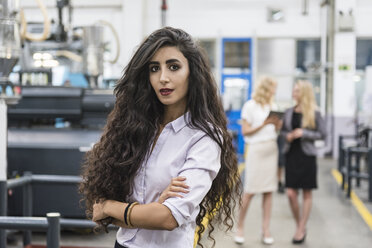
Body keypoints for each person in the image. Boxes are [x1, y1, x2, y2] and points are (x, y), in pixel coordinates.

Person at [79, 27, 241, 248]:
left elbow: (168, 218)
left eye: (174, 67)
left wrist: (111, 207)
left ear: (192, 72)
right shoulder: (135, 128)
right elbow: (99, 212)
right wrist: (149, 209)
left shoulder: (204, 139)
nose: (163, 78)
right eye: (154, 68)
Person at [235, 77, 281, 245]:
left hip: (271, 149)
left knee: (268, 192)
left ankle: (265, 229)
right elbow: (246, 132)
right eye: (272, 88)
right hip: (256, 151)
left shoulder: (272, 106)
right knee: (250, 191)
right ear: (265, 88)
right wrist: (264, 123)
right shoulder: (250, 106)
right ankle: (240, 227)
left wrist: (276, 125)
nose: (274, 92)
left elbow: (275, 131)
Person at [281, 80, 326, 244]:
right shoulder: (288, 111)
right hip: (291, 154)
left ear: (304, 93)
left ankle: (301, 227)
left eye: (297, 90)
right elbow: (283, 131)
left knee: (307, 192)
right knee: (291, 193)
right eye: (294, 89)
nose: (294, 92)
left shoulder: (314, 112)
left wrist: (304, 133)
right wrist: (288, 135)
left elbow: (323, 133)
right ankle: (299, 223)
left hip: (307, 156)